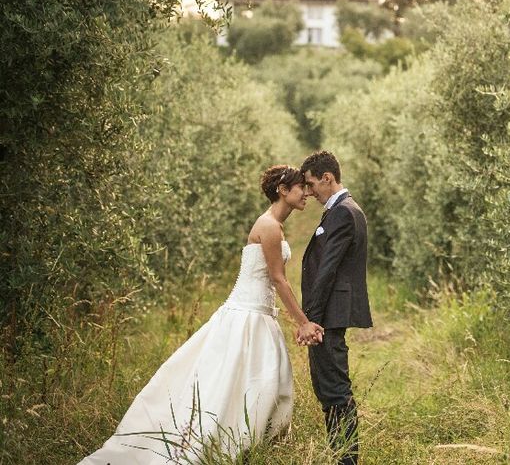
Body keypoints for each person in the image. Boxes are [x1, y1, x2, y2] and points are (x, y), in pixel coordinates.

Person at [80, 165, 323, 465]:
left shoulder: (275, 224)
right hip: (247, 315)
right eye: (302, 187)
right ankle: (226, 443)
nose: (307, 194)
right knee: (239, 382)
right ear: (283, 190)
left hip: (258, 313)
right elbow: (278, 279)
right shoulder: (270, 226)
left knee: (267, 378)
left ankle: (253, 445)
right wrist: (303, 322)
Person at [299, 151, 372, 465]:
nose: (310, 191)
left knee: (335, 390)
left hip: (328, 313)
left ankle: (346, 460)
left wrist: (310, 321)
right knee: (328, 388)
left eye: (312, 184)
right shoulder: (341, 210)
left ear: (327, 178)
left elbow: (327, 270)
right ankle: (341, 455)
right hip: (329, 312)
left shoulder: (343, 211)